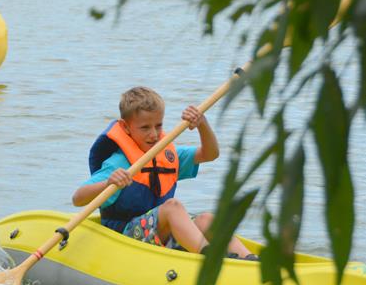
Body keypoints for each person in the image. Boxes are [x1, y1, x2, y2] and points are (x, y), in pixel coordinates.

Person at [72, 86, 257, 259]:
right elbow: (78, 199)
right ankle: (209, 259)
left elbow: (210, 154)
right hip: (125, 237)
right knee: (172, 207)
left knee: (206, 219)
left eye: (158, 126)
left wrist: (202, 124)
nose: (154, 134)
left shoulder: (167, 155)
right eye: (145, 127)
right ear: (126, 127)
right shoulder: (118, 163)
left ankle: (249, 260)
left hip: (161, 233)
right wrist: (108, 183)